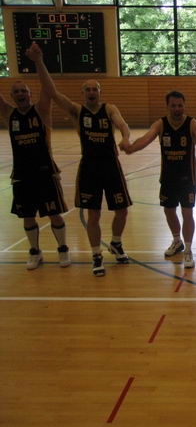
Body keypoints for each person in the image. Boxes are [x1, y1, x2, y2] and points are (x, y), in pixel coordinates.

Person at [30, 43, 132, 276]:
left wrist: (126, 138)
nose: (91, 92)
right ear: (83, 93)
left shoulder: (109, 109)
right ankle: (96, 255)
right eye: (88, 90)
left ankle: (116, 242)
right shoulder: (77, 111)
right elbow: (52, 92)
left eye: (95, 89)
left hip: (111, 165)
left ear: (100, 92)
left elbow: (123, 124)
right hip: (89, 168)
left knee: (122, 210)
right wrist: (39, 62)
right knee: (93, 214)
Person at [125, 91, 196, 269]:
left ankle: (188, 249)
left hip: (188, 177)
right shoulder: (161, 124)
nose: (177, 108)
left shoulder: (192, 123)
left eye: (180, 105)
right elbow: (146, 139)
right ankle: (177, 241)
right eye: (173, 105)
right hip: (168, 177)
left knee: (187, 213)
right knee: (169, 211)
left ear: (184, 105)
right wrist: (132, 148)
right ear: (167, 106)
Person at [0, 43, 70, 270]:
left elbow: (49, 89)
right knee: (27, 216)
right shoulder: (9, 114)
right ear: (11, 96)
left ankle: (63, 249)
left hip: (45, 172)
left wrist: (38, 61)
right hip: (22, 174)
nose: (20, 94)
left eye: (24, 91)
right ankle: (35, 252)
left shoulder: (41, 111)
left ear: (30, 94)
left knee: (54, 215)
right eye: (16, 92)